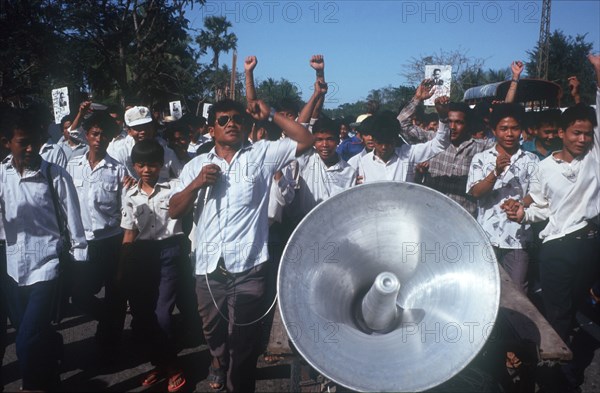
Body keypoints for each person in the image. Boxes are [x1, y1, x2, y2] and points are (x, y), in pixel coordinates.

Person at [169, 96, 313, 392]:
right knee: (213, 332)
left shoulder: (261, 155)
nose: (231, 124)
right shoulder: (197, 164)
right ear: (212, 130)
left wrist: (270, 113)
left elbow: (305, 139)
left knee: (243, 342)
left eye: (237, 119)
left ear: (246, 125)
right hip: (209, 268)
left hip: (248, 265)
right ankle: (218, 362)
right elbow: (173, 210)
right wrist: (196, 184)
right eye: (223, 120)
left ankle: (239, 383)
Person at [503, 54, 600, 391]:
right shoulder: (544, 168)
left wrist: (598, 78)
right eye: (576, 133)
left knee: (574, 309)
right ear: (562, 133)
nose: (583, 139)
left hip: (590, 245)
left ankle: (562, 358)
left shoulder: (594, 159)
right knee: (558, 313)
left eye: (588, 134)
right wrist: (522, 214)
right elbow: (540, 209)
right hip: (557, 248)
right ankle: (556, 377)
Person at [0, 106, 87, 391]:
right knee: (37, 331)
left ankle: (32, 385)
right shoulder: (2, 176)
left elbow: (73, 218)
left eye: (33, 142)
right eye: (22, 142)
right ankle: (51, 368)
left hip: (48, 266)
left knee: (25, 338)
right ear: (7, 143)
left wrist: (79, 261)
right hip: (13, 267)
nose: (29, 148)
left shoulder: (55, 175)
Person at [120, 139, 189, 392]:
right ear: (134, 166)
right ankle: (160, 364)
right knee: (144, 317)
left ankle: (173, 367)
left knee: (162, 315)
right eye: (141, 165)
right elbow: (129, 232)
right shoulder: (129, 194)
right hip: (142, 255)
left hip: (170, 252)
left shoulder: (174, 188)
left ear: (161, 165)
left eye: (152, 164)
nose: (146, 170)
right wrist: (122, 269)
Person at [65, 111, 127, 358]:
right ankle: (108, 318)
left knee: (116, 293)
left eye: (104, 135)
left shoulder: (118, 170)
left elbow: (126, 208)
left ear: (110, 138)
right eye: (94, 134)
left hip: (110, 241)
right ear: (87, 136)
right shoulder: (71, 167)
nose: (99, 139)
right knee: (79, 294)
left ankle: (111, 344)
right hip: (81, 242)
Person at [467, 103, 539, 293]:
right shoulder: (481, 159)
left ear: (521, 130)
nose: (509, 134)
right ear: (494, 130)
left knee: (517, 292)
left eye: (515, 128)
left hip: (518, 238)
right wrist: (496, 172)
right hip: (486, 236)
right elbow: (475, 192)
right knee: (484, 288)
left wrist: (520, 203)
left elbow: (537, 193)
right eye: (504, 128)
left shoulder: (531, 160)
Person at [355, 97, 451, 184]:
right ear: (374, 140)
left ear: (395, 140)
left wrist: (443, 118)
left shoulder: (408, 154)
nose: (384, 147)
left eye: (388, 143)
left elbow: (440, 144)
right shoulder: (364, 162)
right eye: (380, 143)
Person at [109, 105, 183, 181]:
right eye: (138, 128)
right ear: (129, 131)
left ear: (152, 127)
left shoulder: (167, 152)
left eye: (146, 127)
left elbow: (182, 177)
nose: (143, 131)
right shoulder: (121, 151)